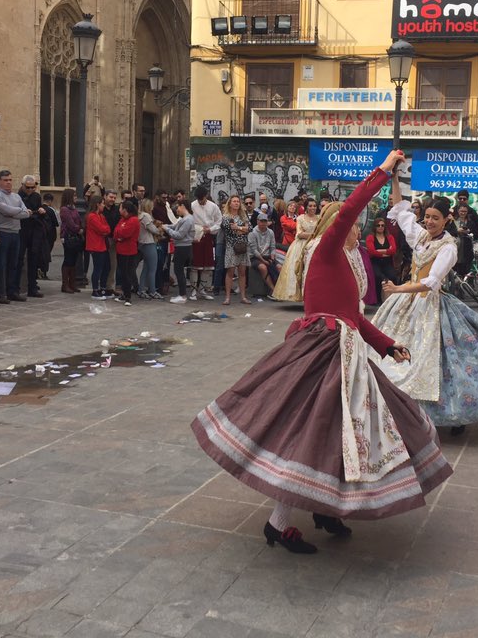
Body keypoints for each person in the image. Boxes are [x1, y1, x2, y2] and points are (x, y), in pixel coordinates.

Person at [192, 150, 452, 555]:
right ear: (338, 225)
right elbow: (350, 211)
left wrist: (387, 345)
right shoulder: (327, 250)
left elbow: (352, 315)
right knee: (310, 437)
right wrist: (383, 172)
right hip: (321, 355)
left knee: (341, 436)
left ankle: (326, 508)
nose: (360, 226)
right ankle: (279, 524)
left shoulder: (347, 260)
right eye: (353, 222)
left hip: (344, 354)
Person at [371, 182, 478, 432]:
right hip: (406, 305)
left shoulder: (448, 247)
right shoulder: (420, 236)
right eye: (427, 217)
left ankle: (454, 414)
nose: (429, 222)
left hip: (431, 306)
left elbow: (431, 282)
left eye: (435, 218)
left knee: (444, 361)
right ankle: (401, 411)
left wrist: (398, 289)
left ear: (446, 220)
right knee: (393, 356)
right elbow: (401, 211)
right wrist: (396, 178)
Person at [0, 170, 31, 304]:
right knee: (1, 264)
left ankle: (12, 291)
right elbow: (6, 210)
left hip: (15, 232)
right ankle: (0, 293)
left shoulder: (16, 197)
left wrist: (14, 213)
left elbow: (26, 213)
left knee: (14, 263)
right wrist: (17, 212)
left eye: (10, 180)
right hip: (2, 232)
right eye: (5, 180)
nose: (8, 182)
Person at [271, 198, 319, 302]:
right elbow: (299, 234)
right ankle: (300, 295)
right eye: (310, 206)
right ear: (306, 207)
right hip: (300, 246)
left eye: (314, 206)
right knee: (299, 270)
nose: (312, 208)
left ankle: (313, 295)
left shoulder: (319, 218)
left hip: (315, 246)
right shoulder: (301, 218)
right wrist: (314, 235)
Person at [17, 175, 48, 298]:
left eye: (32, 187)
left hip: (34, 230)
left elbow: (36, 210)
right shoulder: (18, 196)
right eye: (28, 187)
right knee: (19, 259)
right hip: (22, 230)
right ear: (22, 185)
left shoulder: (36, 196)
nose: (30, 190)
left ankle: (32, 287)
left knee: (33, 259)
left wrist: (40, 211)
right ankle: (17, 287)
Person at [189, 186, 221, 300]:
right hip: (196, 236)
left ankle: (202, 290)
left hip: (208, 236)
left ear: (206, 196)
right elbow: (188, 219)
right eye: (198, 199)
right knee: (195, 265)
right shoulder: (192, 205)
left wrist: (211, 229)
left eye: (201, 199)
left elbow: (219, 221)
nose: (200, 201)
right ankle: (193, 291)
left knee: (207, 266)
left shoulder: (213, 206)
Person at [220, 195, 251, 306]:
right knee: (230, 273)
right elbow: (230, 230)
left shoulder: (243, 215)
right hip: (231, 247)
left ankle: (243, 296)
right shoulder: (226, 217)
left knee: (242, 273)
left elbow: (249, 229)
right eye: (234, 201)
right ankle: (227, 297)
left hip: (243, 246)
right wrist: (242, 228)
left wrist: (239, 228)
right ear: (230, 203)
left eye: (238, 201)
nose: (237, 203)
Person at [164, 200, 195, 304]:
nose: (177, 210)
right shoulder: (184, 219)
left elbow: (179, 235)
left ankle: (182, 295)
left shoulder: (188, 220)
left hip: (183, 247)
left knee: (179, 271)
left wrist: (166, 229)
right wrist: (166, 226)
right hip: (182, 247)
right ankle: (181, 294)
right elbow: (175, 226)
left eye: (177, 208)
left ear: (183, 206)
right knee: (179, 271)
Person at [113, 200, 140, 306]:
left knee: (127, 273)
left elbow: (125, 233)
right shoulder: (123, 219)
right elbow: (116, 232)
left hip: (129, 251)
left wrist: (120, 234)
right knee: (123, 273)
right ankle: (124, 294)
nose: (119, 210)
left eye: (120, 208)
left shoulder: (133, 220)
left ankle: (128, 296)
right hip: (121, 250)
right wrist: (119, 234)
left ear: (125, 210)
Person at [85, 196, 111, 300]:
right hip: (96, 246)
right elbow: (101, 229)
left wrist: (105, 229)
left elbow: (108, 228)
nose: (104, 206)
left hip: (102, 245)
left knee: (107, 267)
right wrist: (105, 229)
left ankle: (102, 288)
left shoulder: (101, 216)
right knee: (98, 268)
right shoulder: (92, 216)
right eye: (102, 204)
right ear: (97, 204)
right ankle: (95, 290)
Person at [59, 188, 83, 294]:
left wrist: (80, 228)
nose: (76, 197)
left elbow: (78, 221)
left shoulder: (74, 208)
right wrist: (79, 229)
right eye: (74, 196)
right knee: (68, 260)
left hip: (75, 237)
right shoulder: (64, 209)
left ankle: (72, 284)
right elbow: (70, 224)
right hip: (68, 237)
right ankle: (65, 285)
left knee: (73, 260)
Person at [137, 199, 162, 299]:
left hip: (142, 243)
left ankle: (141, 289)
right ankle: (152, 290)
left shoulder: (140, 216)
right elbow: (153, 230)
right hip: (148, 243)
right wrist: (159, 229)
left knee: (146, 268)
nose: (153, 208)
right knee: (152, 269)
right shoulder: (146, 216)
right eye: (151, 206)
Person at [248, 212, 279, 294]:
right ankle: (273, 290)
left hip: (268, 255)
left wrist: (272, 257)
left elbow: (273, 247)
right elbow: (254, 250)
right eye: (261, 221)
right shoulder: (252, 232)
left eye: (265, 221)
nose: (263, 223)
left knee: (280, 267)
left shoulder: (271, 232)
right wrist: (263, 260)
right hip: (255, 257)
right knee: (263, 267)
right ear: (257, 221)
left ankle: (280, 289)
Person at [365, 218, 397, 298]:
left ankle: (391, 298)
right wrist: (386, 252)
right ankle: (378, 298)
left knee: (392, 276)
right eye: (378, 225)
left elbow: (393, 250)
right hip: (375, 262)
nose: (380, 227)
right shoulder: (370, 237)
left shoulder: (389, 237)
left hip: (387, 262)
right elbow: (371, 251)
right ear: (374, 227)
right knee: (378, 276)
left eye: (382, 225)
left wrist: (379, 251)